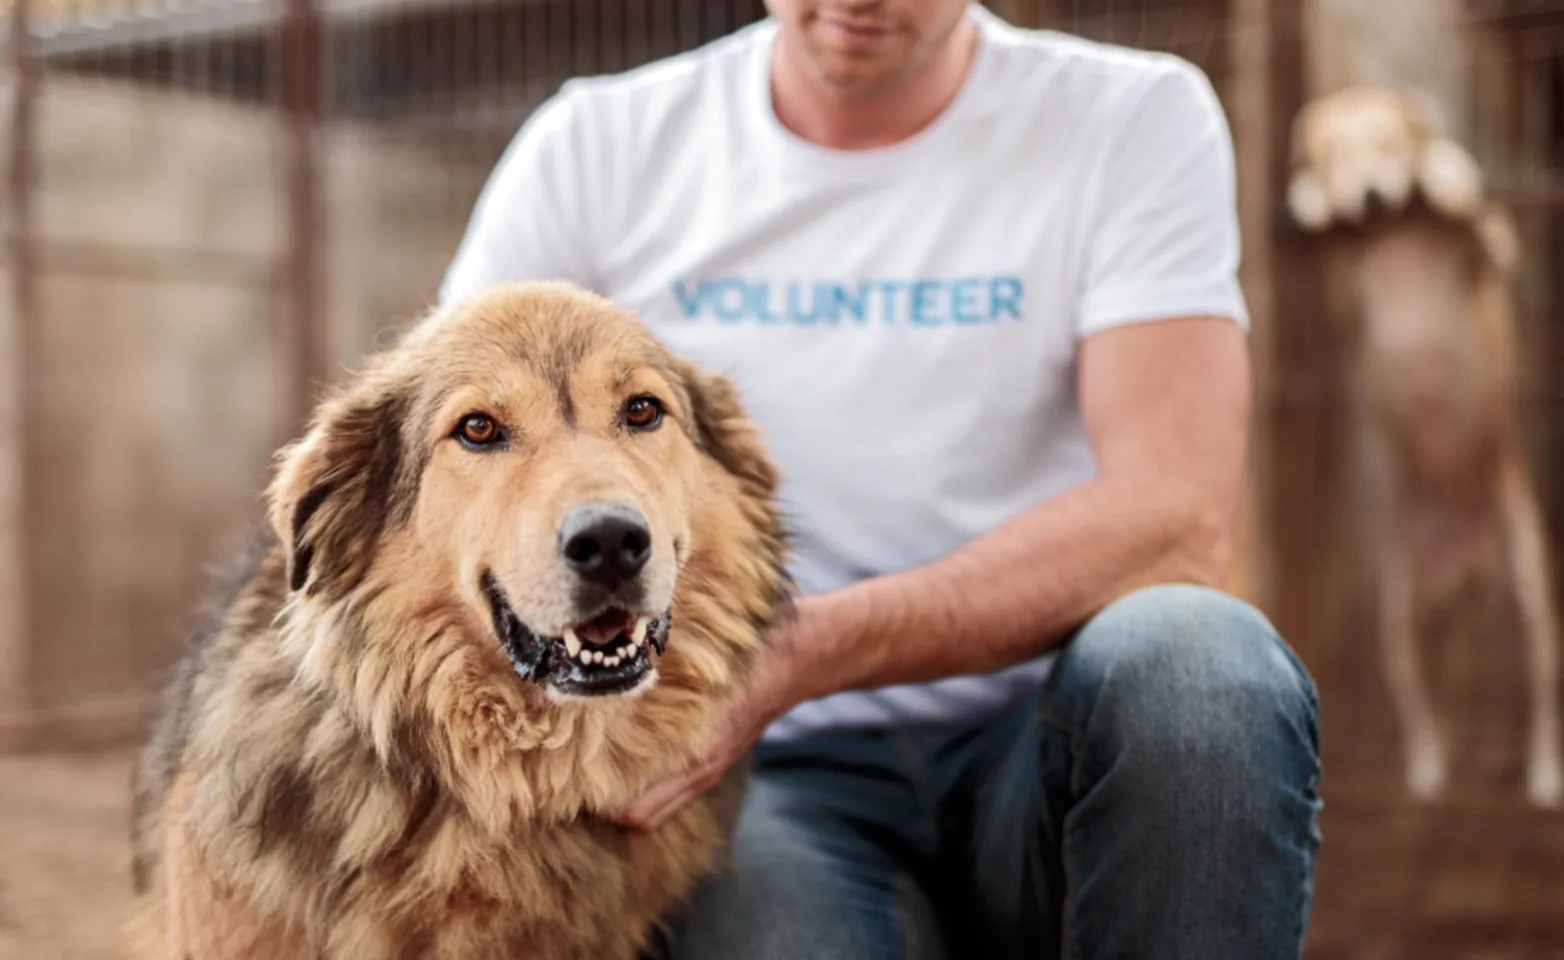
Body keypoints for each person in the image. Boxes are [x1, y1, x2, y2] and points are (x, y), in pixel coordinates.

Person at [437, 1, 1323, 956]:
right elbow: (450, 441)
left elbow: (1175, 519)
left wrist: (797, 655)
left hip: (1045, 726)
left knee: (1203, 663)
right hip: (759, 772)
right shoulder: (597, 147)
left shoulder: (1132, 119)